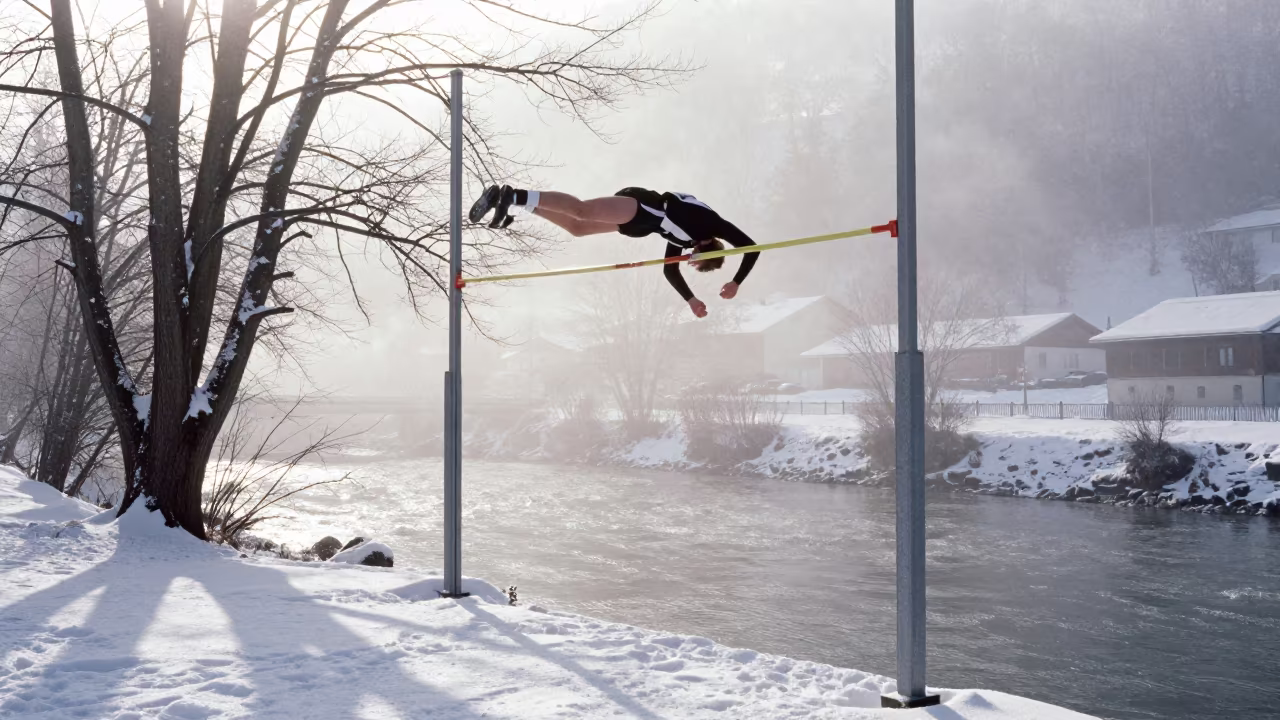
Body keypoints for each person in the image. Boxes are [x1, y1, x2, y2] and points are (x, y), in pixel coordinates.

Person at [469, 185, 759, 318]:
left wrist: (691, 300)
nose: (690, 258)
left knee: (577, 229)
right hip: (647, 205)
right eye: (698, 259)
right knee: (582, 210)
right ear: (712, 248)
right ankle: (511, 195)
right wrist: (737, 282)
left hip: (640, 224)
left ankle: (521, 204)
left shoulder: (682, 242)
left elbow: (668, 269)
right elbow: (751, 248)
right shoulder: (712, 225)